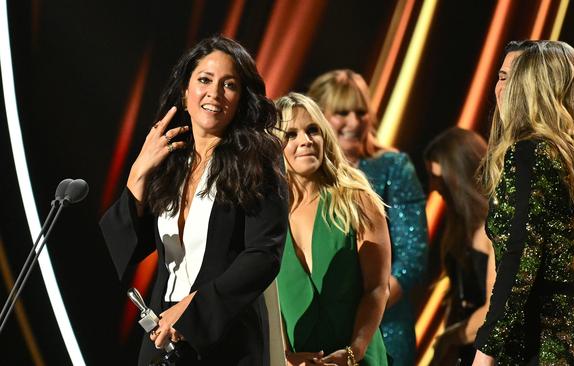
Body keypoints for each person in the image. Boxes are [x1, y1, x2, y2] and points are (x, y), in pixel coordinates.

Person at [99, 34, 288, 365]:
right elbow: (114, 254)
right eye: (204, 80)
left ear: (242, 99)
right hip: (161, 337)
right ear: (185, 93)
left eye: (229, 85)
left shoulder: (259, 157)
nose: (214, 93)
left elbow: (264, 255)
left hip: (226, 339)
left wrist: (190, 311)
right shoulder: (170, 159)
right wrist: (137, 176)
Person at [472, 40, 574, 365]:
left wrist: (485, 350)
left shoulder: (530, 154)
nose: (503, 89)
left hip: (535, 351)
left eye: (513, 79)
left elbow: (521, 260)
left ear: (532, 88)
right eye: (501, 77)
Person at [308, 70, 428, 365]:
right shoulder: (302, 174)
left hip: (385, 328)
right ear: (319, 116)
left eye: (360, 112)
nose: (353, 122)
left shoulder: (393, 166)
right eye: (342, 113)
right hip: (317, 326)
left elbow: (412, 257)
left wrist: (367, 312)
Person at [274, 92, 391, 365]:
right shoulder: (266, 216)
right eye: (290, 134)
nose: (305, 140)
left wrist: (354, 352)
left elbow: (377, 288)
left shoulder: (356, 198)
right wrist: (284, 357)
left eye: (312, 129)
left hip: (359, 358)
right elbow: (268, 302)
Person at [423, 128, 496, 366]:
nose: (433, 188)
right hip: (464, 349)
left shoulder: (494, 229)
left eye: (439, 178)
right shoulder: (459, 228)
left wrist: (450, 338)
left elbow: (495, 308)